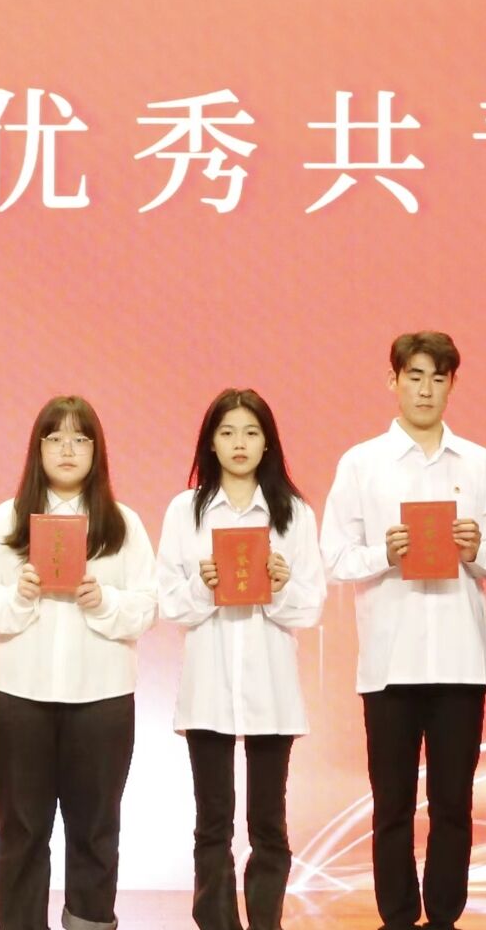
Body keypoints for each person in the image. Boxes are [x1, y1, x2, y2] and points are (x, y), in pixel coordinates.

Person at [320, 331, 486, 930]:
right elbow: (335, 558)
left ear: (452, 384)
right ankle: (398, 916)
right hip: (389, 665)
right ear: (393, 381)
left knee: (454, 803)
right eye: (414, 376)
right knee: (392, 805)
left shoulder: (479, 463)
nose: (426, 390)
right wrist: (384, 553)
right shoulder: (361, 463)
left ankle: (445, 916)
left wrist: (477, 549)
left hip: (460, 662)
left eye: (438, 378)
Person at [0, 395, 158, 930]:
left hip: (102, 699)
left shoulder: (123, 524)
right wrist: (20, 594)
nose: (67, 449)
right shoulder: (7, 519)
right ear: (38, 448)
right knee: (22, 830)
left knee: (96, 829)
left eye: (80, 439)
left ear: (97, 451)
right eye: (55, 438)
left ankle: (89, 922)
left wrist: (103, 600)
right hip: (20, 698)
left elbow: (148, 607)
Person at [155, 388, 324, 930]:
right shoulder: (185, 511)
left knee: (269, 823)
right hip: (208, 687)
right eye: (227, 432)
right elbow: (169, 603)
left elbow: (310, 607)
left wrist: (279, 584)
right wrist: (204, 586)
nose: (239, 443)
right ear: (210, 442)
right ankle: (217, 921)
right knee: (213, 823)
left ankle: (266, 921)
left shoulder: (294, 513)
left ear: (268, 442)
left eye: (251, 432)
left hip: (272, 689)